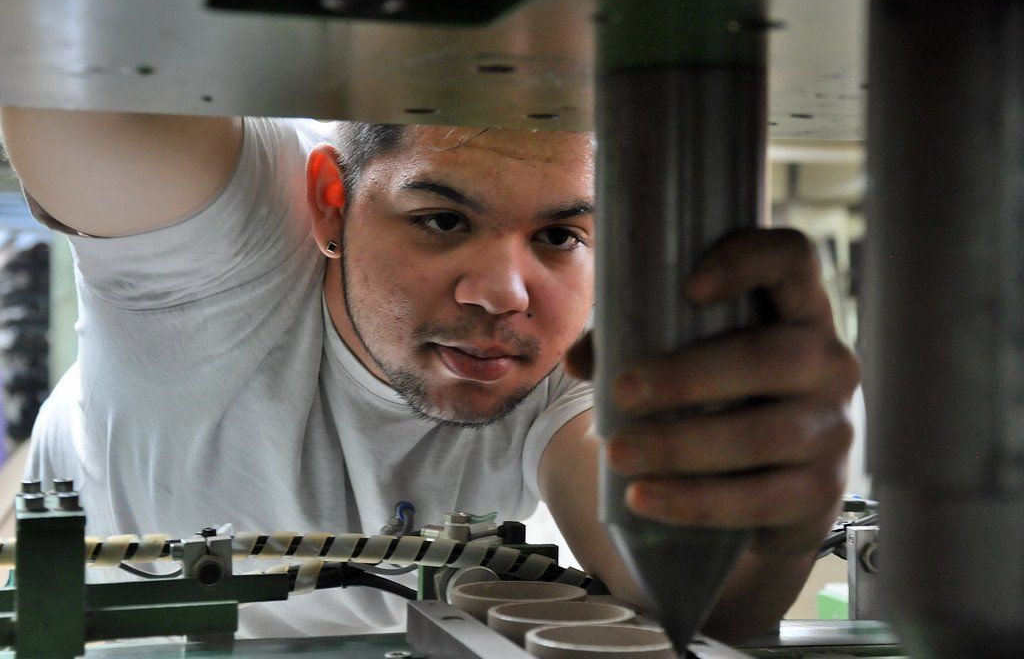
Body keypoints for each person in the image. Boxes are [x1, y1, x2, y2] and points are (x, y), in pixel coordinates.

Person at [0, 110, 859, 641]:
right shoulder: (237, 228)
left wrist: (772, 531)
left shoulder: (576, 343)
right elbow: (73, 77)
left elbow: (689, 600)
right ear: (331, 203)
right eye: (443, 220)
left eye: (558, 235)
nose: (504, 294)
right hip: (105, 625)